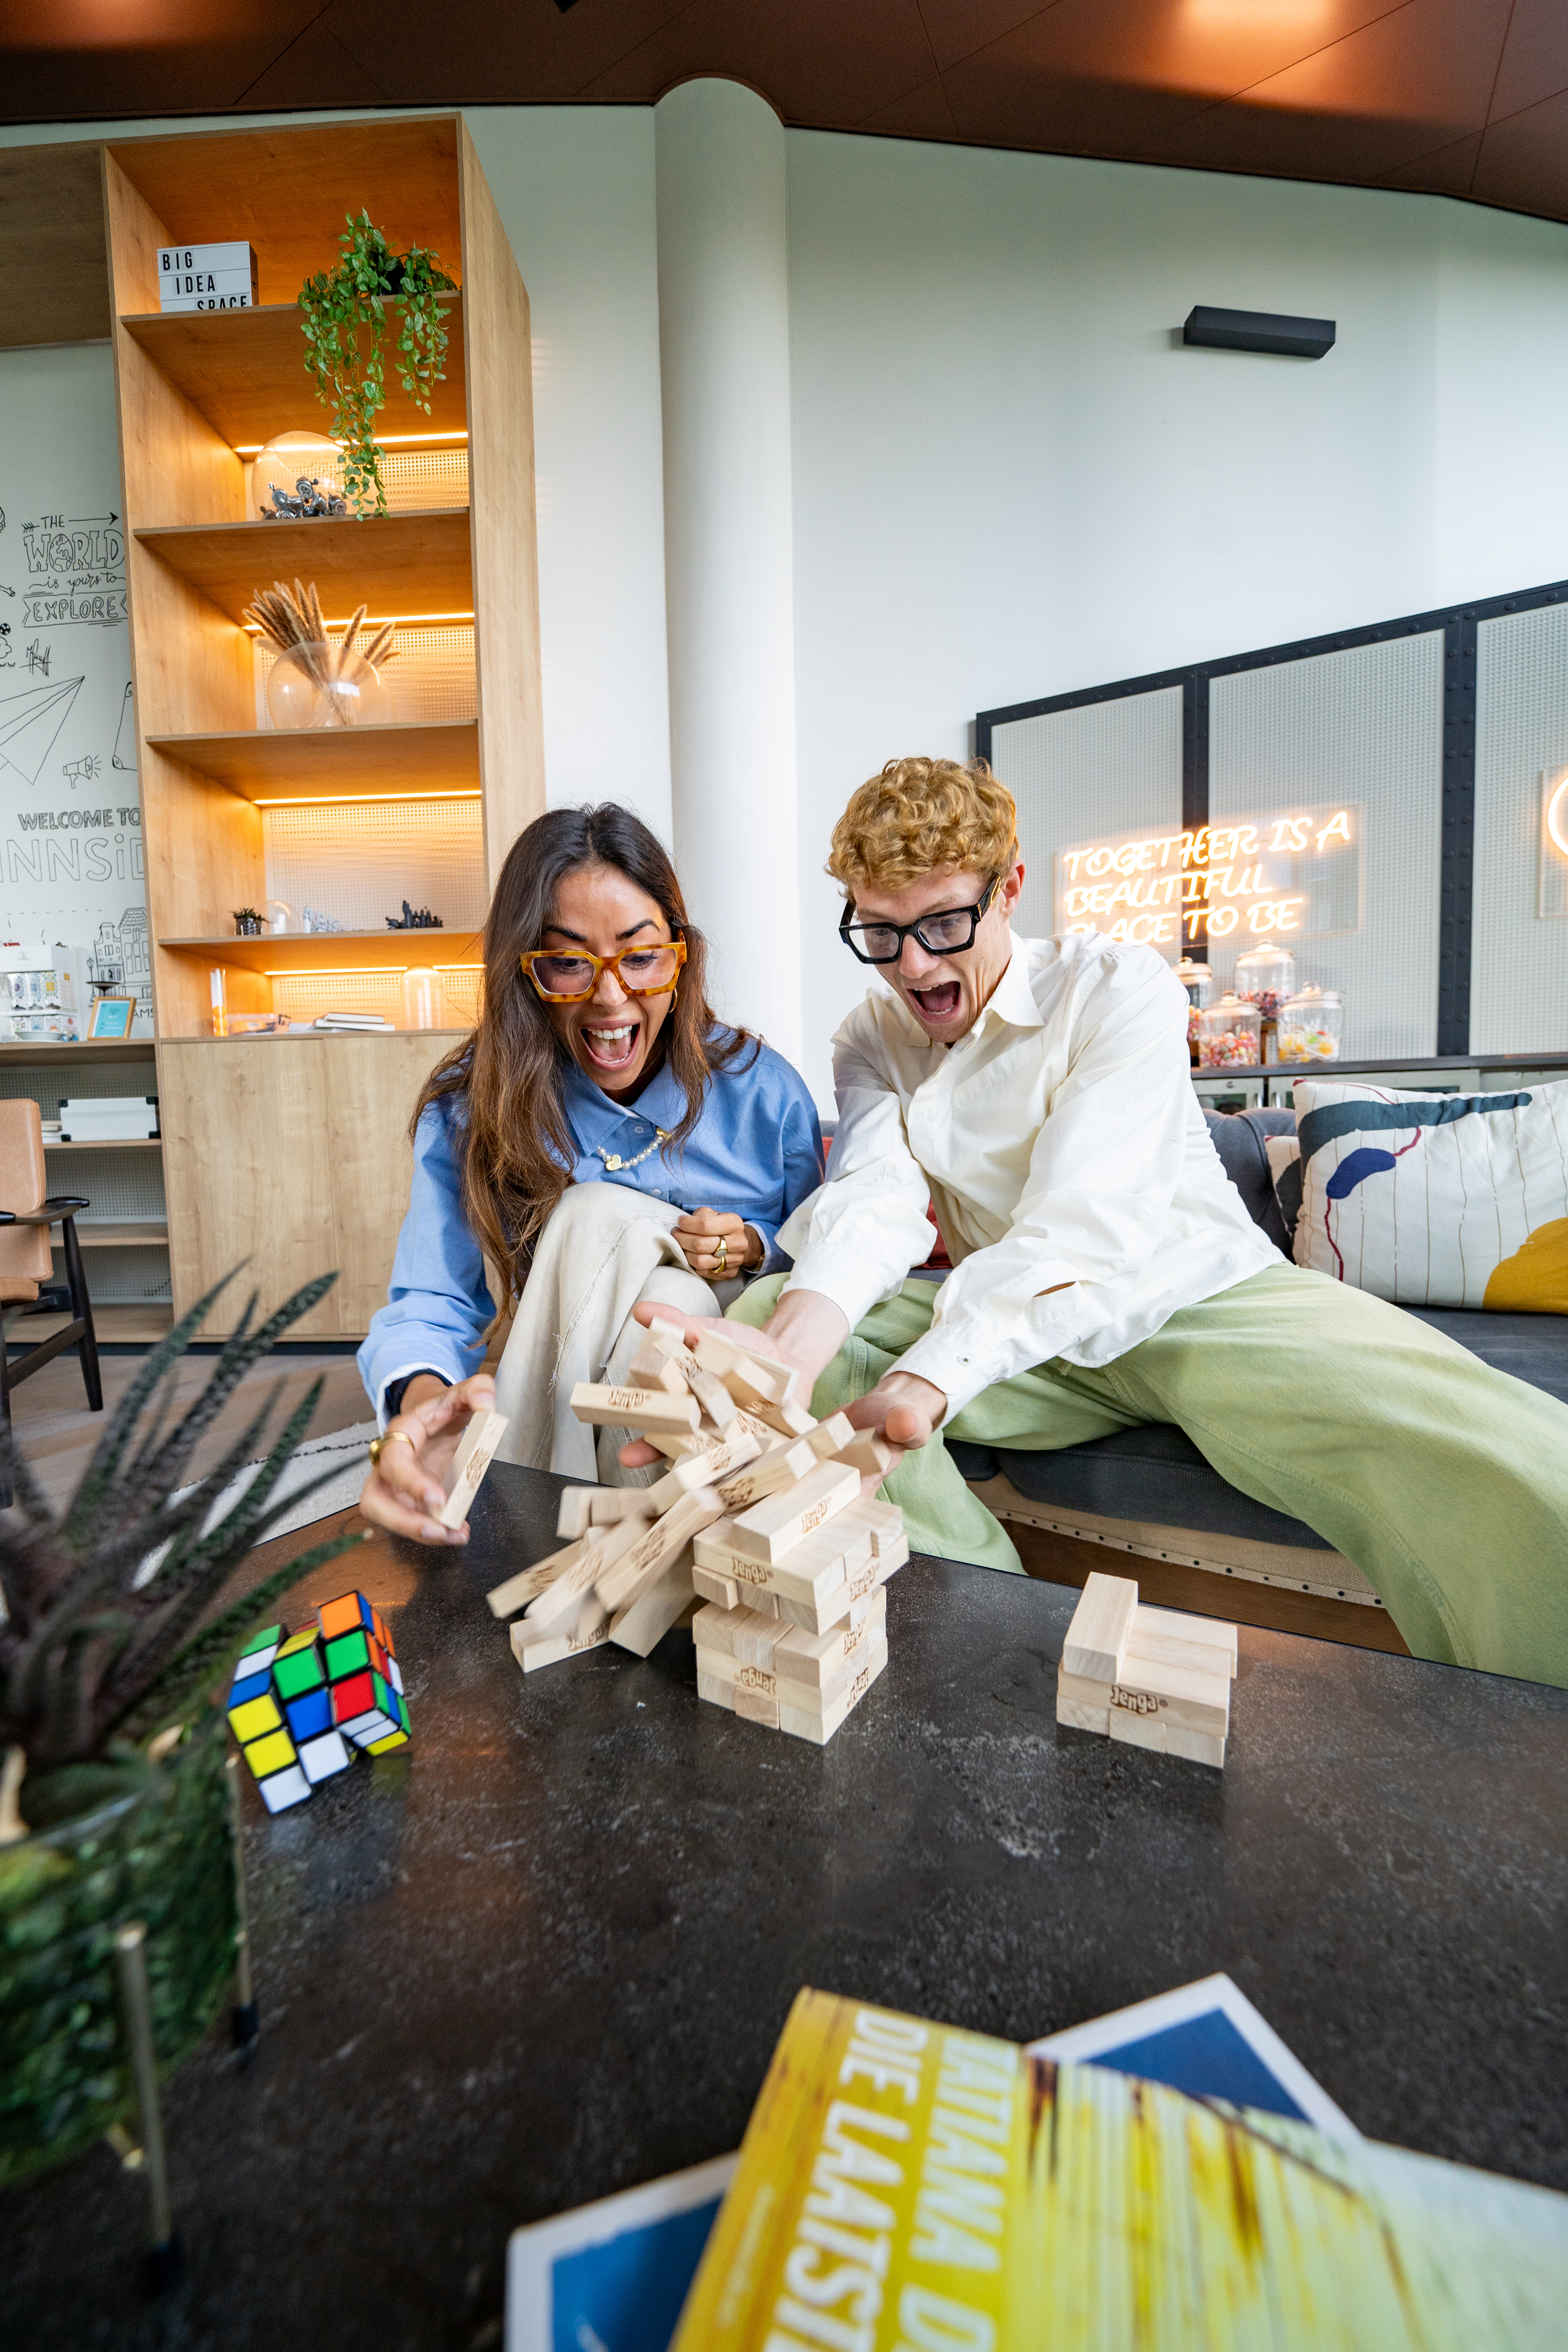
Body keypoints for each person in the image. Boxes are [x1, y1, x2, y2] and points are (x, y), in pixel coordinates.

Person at [640, 755, 1568, 1687]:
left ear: (1009, 888)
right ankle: (975, 1624)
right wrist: (787, 1360)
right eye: (880, 934)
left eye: (942, 924)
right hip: (1017, 1340)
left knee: (1514, 1455)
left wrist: (926, 1379)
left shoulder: (1116, 987)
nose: (912, 967)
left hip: (1193, 1304)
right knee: (764, 1321)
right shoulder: (869, 1038)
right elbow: (875, 1200)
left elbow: (1082, 1221)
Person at [357, 802, 822, 1546]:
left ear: (681, 956)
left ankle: (522, 1536)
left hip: (725, 1371)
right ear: (525, 973)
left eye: (640, 956)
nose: (609, 997)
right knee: (615, 1243)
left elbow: (818, 1265)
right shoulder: (476, 1102)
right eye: (569, 961)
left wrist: (751, 1247)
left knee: (606, 1226)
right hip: (611, 1378)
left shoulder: (763, 1091)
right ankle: (625, 1572)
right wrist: (421, 1406)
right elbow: (432, 1299)